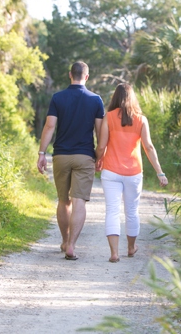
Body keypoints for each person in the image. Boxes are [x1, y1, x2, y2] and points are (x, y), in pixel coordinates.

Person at [37, 61, 105, 261]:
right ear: (87, 76)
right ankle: (72, 246)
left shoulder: (58, 98)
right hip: (84, 156)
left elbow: (50, 127)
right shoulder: (96, 100)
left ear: (70, 75)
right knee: (79, 201)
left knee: (63, 200)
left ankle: (65, 240)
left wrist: (42, 153)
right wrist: (100, 157)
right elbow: (100, 133)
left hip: (61, 156)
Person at [95, 83, 168, 263]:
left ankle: (114, 253)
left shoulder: (109, 117)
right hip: (134, 173)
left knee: (112, 211)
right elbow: (149, 147)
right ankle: (130, 247)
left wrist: (99, 159)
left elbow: (101, 145)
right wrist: (160, 172)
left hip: (111, 171)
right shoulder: (141, 119)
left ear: (115, 98)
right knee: (132, 211)